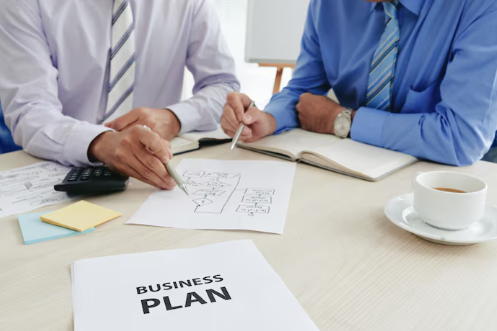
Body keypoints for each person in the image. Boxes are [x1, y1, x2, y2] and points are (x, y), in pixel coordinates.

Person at [222, 0, 497, 166]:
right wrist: (268, 118)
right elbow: (304, 92)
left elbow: (463, 137)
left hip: (459, 175)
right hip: (354, 166)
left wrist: (343, 121)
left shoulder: (482, 7)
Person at [0, 0, 239, 189]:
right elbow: (29, 110)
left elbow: (222, 84)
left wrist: (174, 117)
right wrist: (100, 142)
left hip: (156, 170)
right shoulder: (24, 3)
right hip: (60, 170)